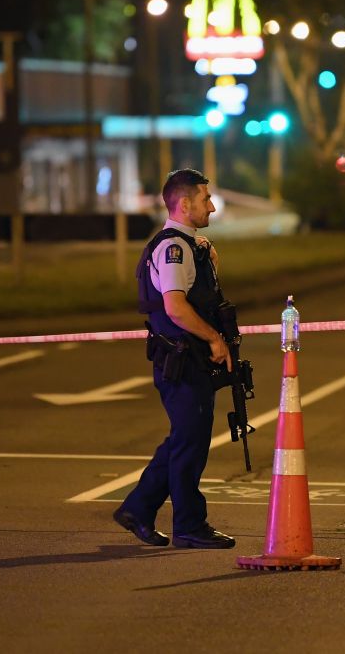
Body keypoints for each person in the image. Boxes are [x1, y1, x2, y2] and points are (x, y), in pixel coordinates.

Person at [113, 168, 237, 550]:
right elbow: (176, 307)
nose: (212, 207)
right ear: (184, 204)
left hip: (189, 360)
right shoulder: (174, 248)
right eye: (205, 199)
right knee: (188, 443)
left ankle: (139, 510)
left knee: (187, 441)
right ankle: (187, 524)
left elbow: (200, 298)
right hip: (181, 361)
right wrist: (215, 339)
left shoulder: (192, 247)